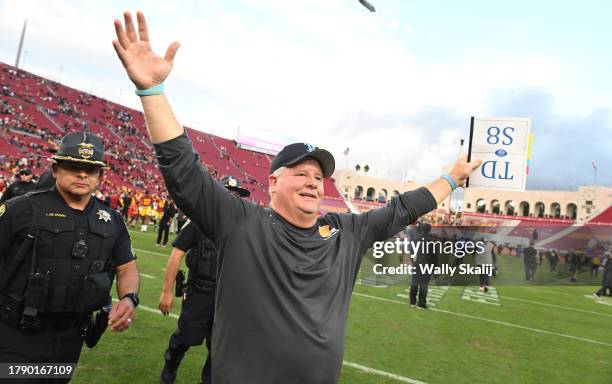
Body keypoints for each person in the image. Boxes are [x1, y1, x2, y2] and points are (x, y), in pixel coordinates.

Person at [112, 11, 481, 383]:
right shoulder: (241, 223)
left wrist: (452, 178)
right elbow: (185, 175)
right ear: (273, 183)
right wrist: (152, 91)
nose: (312, 183)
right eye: (300, 174)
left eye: (319, 177)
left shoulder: (346, 233)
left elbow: (403, 209)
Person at [0, 131, 141, 380]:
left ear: (99, 175)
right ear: (55, 169)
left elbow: (127, 267)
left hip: (69, 341)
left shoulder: (112, 220)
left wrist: (129, 298)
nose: (83, 174)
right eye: (73, 166)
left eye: (91, 169)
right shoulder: (20, 209)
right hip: (16, 336)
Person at [158, 176, 251, 384]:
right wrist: (166, 290)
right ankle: (170, 367)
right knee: (186, 337)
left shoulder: (243, 229)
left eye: (235, 195)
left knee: (219, 346)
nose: (232, 198)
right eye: (227, 193)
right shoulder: (199, 222)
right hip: (199, 292)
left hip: (227, 298)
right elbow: (176, 255)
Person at [409, 222, 438, 308]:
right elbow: (434, 256)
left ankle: (412, 302)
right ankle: (421, 304)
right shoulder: (433, 240)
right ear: (429, 230)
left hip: (417, 263)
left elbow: (411, 251)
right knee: (424, 284)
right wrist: (435, 267)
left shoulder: (417, 239)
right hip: (427, 264)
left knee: (414, 282)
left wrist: (413, 262)